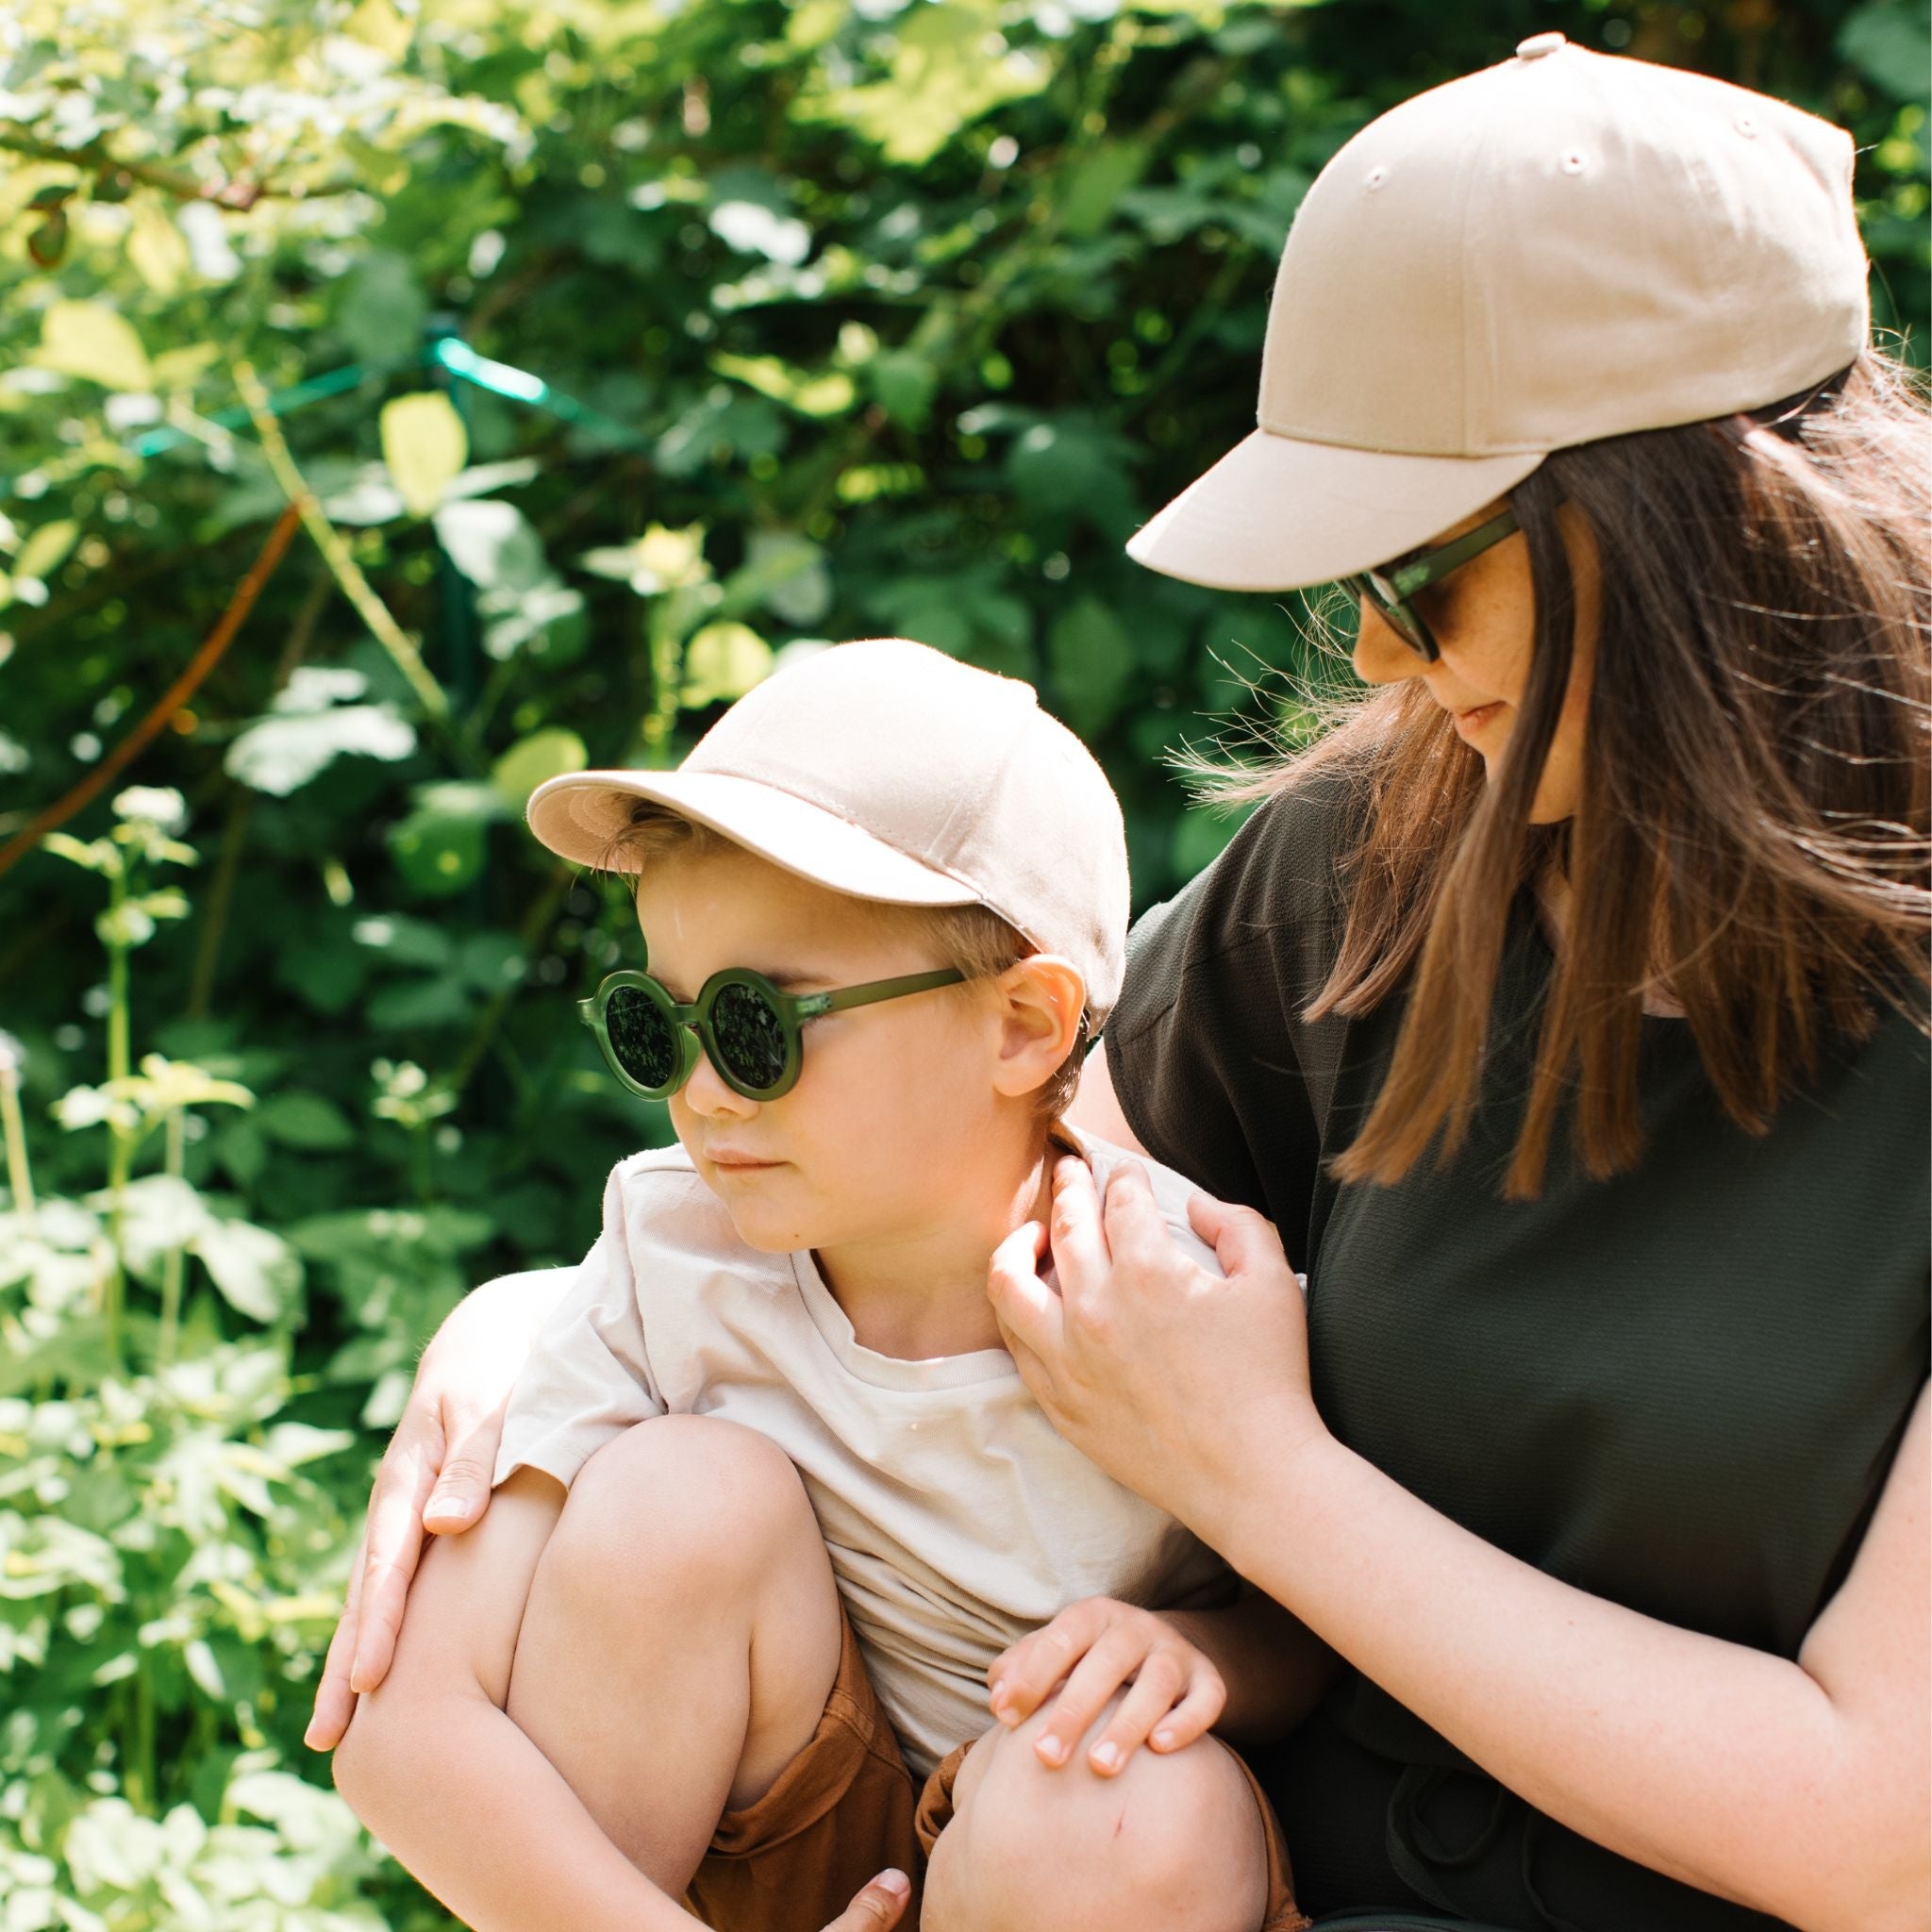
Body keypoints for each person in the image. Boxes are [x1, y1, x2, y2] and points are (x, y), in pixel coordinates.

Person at [310, 37, 1930, 1932]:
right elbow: (929, 1143)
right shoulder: (1374, 863)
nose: (1383, 658)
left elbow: (1874, 1837)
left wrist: (1259, 1480)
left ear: (1696, 517)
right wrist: (523, 1336)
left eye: (1424, 571)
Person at [326, 638, 1311, 1932]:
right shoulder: (671, 1252)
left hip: (1066, 1860)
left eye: (757, 1027)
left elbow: (1334, 1628)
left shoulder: (1171, 1299)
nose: (699, 1091)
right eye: (655, 1023)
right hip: (735, 1864)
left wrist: (1215, 1658)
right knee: (681, 1496)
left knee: (1123, 1801)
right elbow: (404, 1730)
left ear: (1020, 1026)